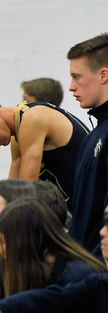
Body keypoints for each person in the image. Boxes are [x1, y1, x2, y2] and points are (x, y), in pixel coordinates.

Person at [0, 90, 89, 211]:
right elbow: (11, 193)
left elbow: (28, 192)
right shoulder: (18, 133)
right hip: (83, 207)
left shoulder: (32, 118)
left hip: (97, 201)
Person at [66, 32, 108, 256]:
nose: (71, 87)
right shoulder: (94, 134)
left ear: (103, 75)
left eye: (77, 77)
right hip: (83, 264)